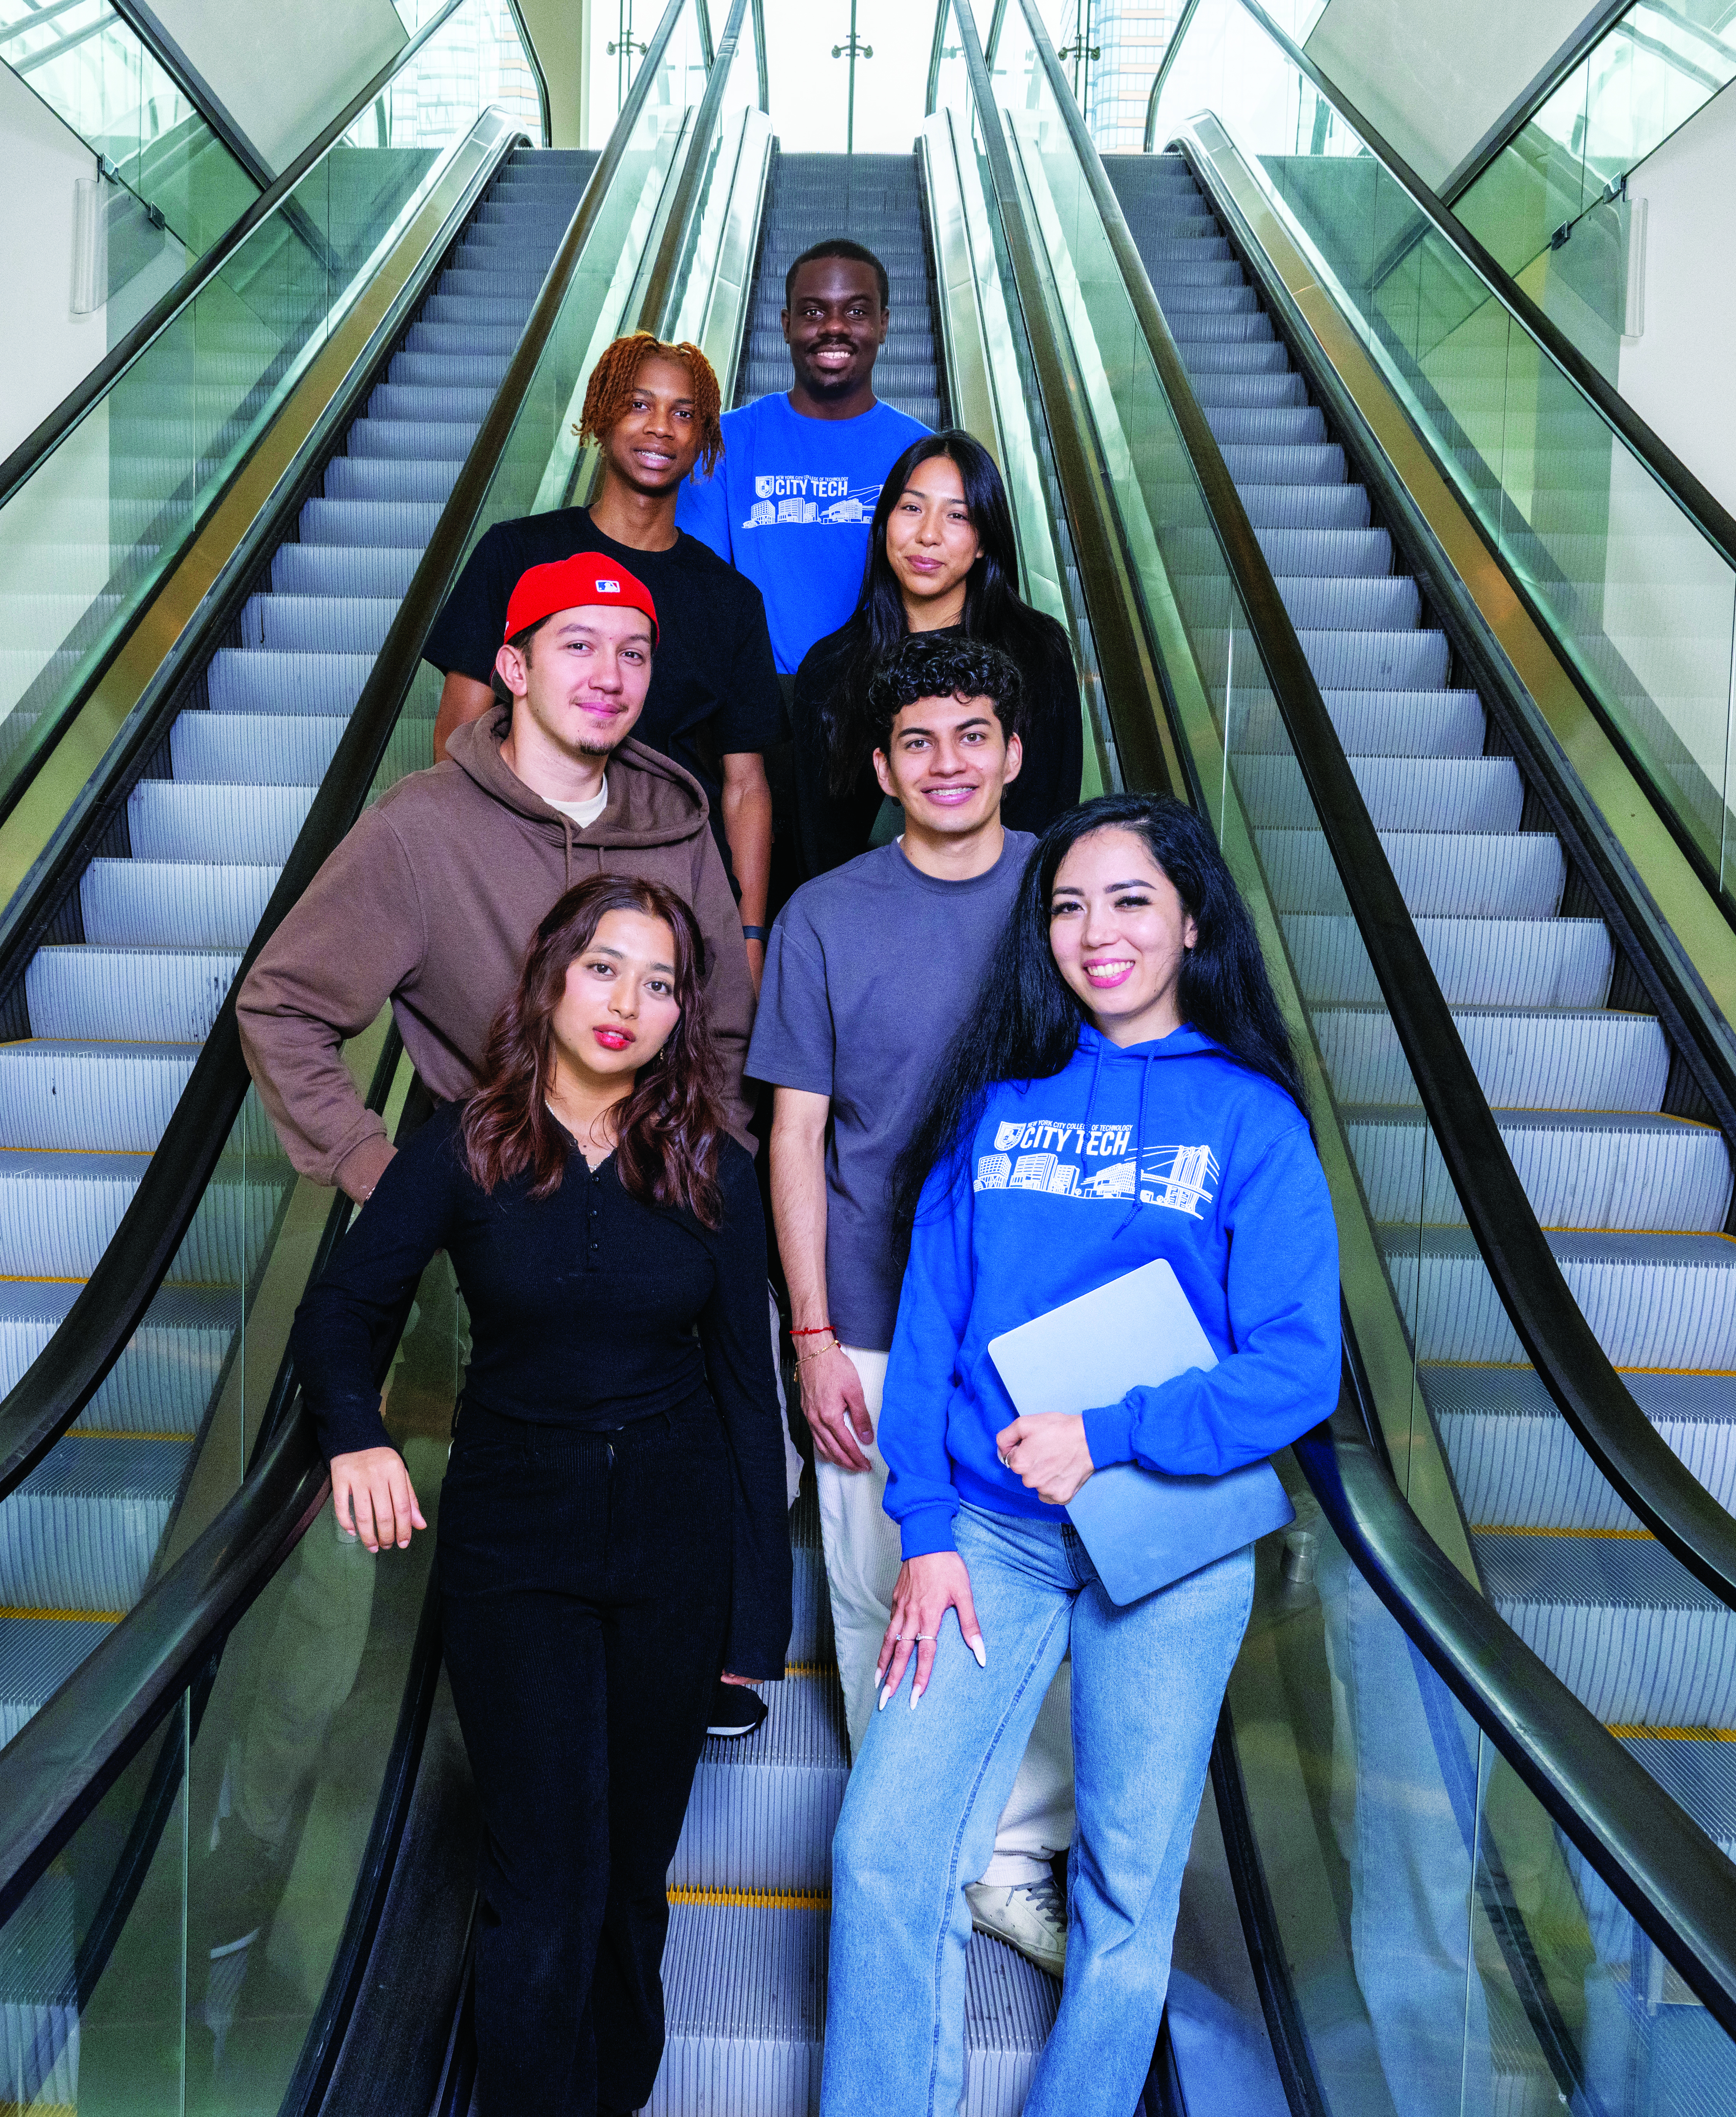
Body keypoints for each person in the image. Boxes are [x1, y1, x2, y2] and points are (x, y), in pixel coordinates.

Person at [822, 794, 1341, 2116]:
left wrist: (1107, 1432)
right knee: (885, 1849)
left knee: (1122, 1885)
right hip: (987, 1534)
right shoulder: (991, 1109)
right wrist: (924, 1531)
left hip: (1165, 1542)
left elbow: (1295, 1369)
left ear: (1187, 918)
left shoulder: (1252, 1122)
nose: (1092, 931)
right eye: (1065, 903)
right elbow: (929, 1331)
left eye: (1126, 900)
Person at [294, 872, 787, 2117]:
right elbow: (342, 1311)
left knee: (629, 1877)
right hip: (515, 1551)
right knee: (544, 1874)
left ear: (684, 1012)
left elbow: (745, 1390)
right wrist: (354, 1436)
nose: (628, 1000)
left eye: (661, 981)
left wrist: (753, 1622)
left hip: (671, 1554)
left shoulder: (712, 1166)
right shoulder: (463, 1146)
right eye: (604, 967)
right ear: (552, 977)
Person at [748, 632, 1079, 1977]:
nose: (946, 762)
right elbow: (794, 1137)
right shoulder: (826, 912)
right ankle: (909, 1849)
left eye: (971, 736)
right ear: (881, 766)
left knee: (1034, 1592)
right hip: (877, 1316)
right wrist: (811, 1332)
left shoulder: (1072, 895)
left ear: (1011, 752)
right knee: (880, 1590)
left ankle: (1013, 1860)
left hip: (1043, 1324)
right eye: (916, 741)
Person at [239, 553, 752, 1204]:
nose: (608, 677)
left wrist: (709, 1169)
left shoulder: (677, 825)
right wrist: (384, 1176)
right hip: (496, 1214)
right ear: (515, 668)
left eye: (633, 655)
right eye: (578, 645)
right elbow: (283, 1006)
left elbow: (724, 1026)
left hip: (657, 1210)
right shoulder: (421, 824)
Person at [427, 334, 783, 976]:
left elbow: (745, 784)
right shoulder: (515, 554)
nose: (660, 428)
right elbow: (459, 729)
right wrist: (480, 864)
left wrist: (750, 935)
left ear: (705, 437)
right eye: (639, 404)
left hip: (671, 877)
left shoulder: (729, 598)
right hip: (531, 863)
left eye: (684, 413)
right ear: (600, 413)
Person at [780, 432, 1085, 901]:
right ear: (884, 524)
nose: (928, 534)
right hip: (869, 928)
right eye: (911, 508)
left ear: (985, 541)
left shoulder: (1036, 651)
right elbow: (818, 846)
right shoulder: (831, 667)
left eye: (958, 515)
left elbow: (1050, 816)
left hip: (1008, 919)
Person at [679, 239, 934, 676]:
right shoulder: (722, 442)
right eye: (813, 311)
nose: (834, 327)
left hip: (887, 701)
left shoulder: (925, 456)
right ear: (786, 324)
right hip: (757, 703)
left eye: (856, 311)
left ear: (884, 324)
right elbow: (699, 591)